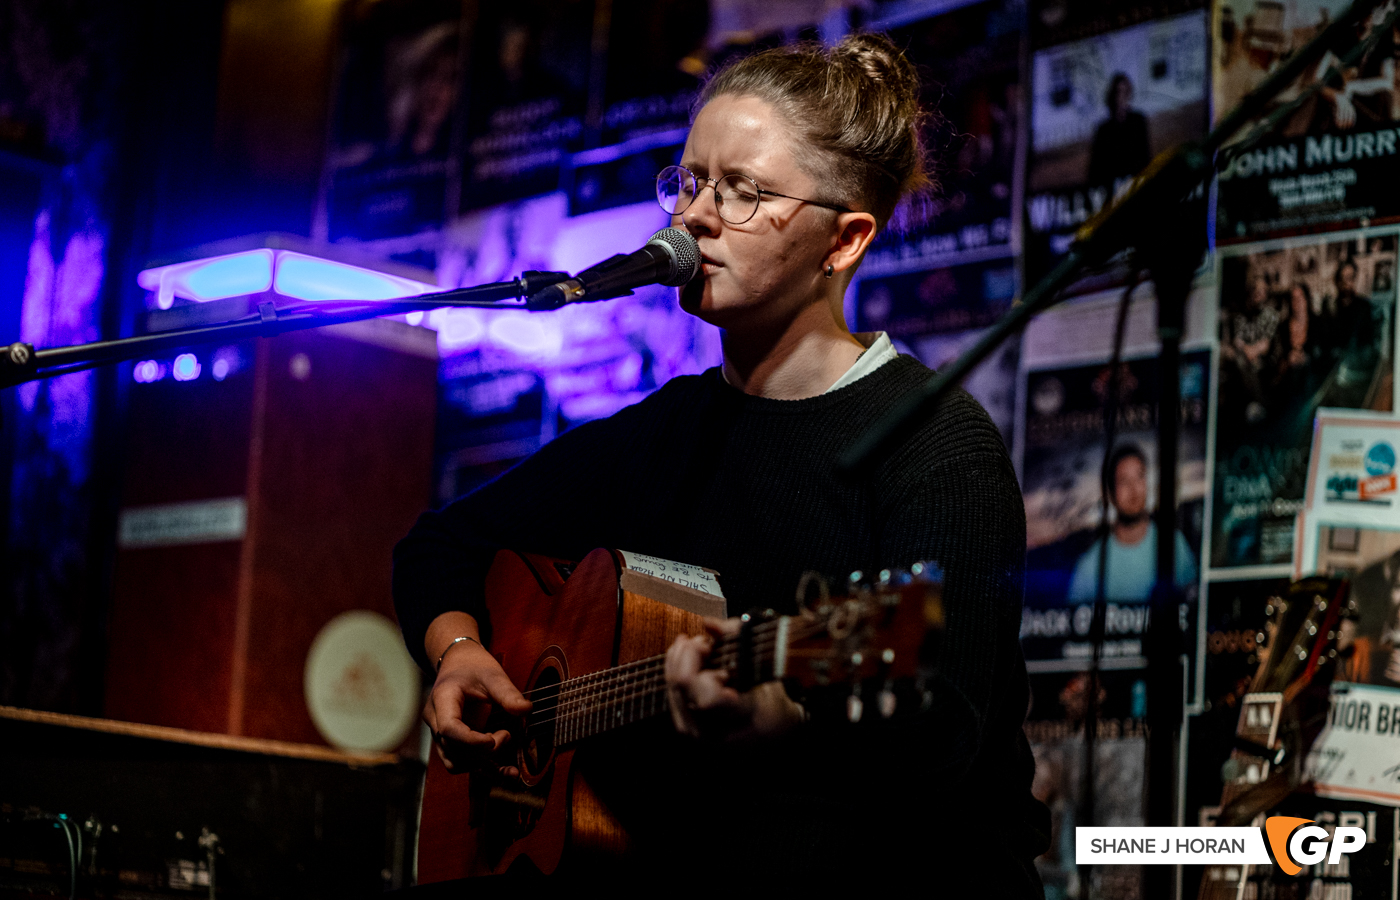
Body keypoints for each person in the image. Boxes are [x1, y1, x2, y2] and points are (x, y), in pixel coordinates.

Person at [393, 33, 1046, 890]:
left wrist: (782, 717)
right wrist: (459, 652)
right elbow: (440, 547)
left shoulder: (935, 442)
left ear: (844, 242)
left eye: (743, 193)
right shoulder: (665, 431)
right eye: (692, 182)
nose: (695, 217)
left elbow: (943, 730)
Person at [1066, 444, 1197, 603]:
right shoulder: (1090, 567)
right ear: (1110, 493)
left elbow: (1195, 603)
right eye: (1124, 481)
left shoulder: (1174, 545)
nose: (1134, 489)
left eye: (1140, 476)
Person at [1087, 73, 1151, 188]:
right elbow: (1096, 167)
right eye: (1118, 93)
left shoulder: (1138, 121)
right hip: (1113, 188)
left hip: (1137, 184)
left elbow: (1144, 155)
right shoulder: (1104, 130)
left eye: (1125, 92)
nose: (1122, 98)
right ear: (1113, 96)